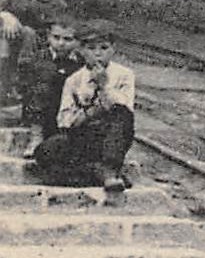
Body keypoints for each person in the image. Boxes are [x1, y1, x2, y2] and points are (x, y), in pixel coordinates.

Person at [32, 19, 135, 193]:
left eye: (104, 48)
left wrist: (104, 86)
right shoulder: (74, 79)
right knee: (45, 151)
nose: (98, 54)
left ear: (113, 49)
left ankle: (109, 170)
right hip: (84, 134)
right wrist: (89, 113)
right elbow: (64, 121)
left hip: (111, 137)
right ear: (81, 49)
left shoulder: (124, 75)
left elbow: (124, 109)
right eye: (91, 49)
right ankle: (97, 171)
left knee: (121, 115)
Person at [0, 0, 69, 104]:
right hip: (6, 44)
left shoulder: (56, 4)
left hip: (34, 52)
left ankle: (19, 85)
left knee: (28, 33)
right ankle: (3, 82)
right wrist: (5, 15)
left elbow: (56, 33)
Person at [19, 13, 82, 140]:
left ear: (78, 41)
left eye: (67, 39)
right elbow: (27, 88)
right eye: (56, 37)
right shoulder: (38, 58)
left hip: (67, 109)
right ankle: (36, 136)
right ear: (48, 36)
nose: (61, 43)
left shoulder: (81, 62)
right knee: (43, 85)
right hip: (42, 109)